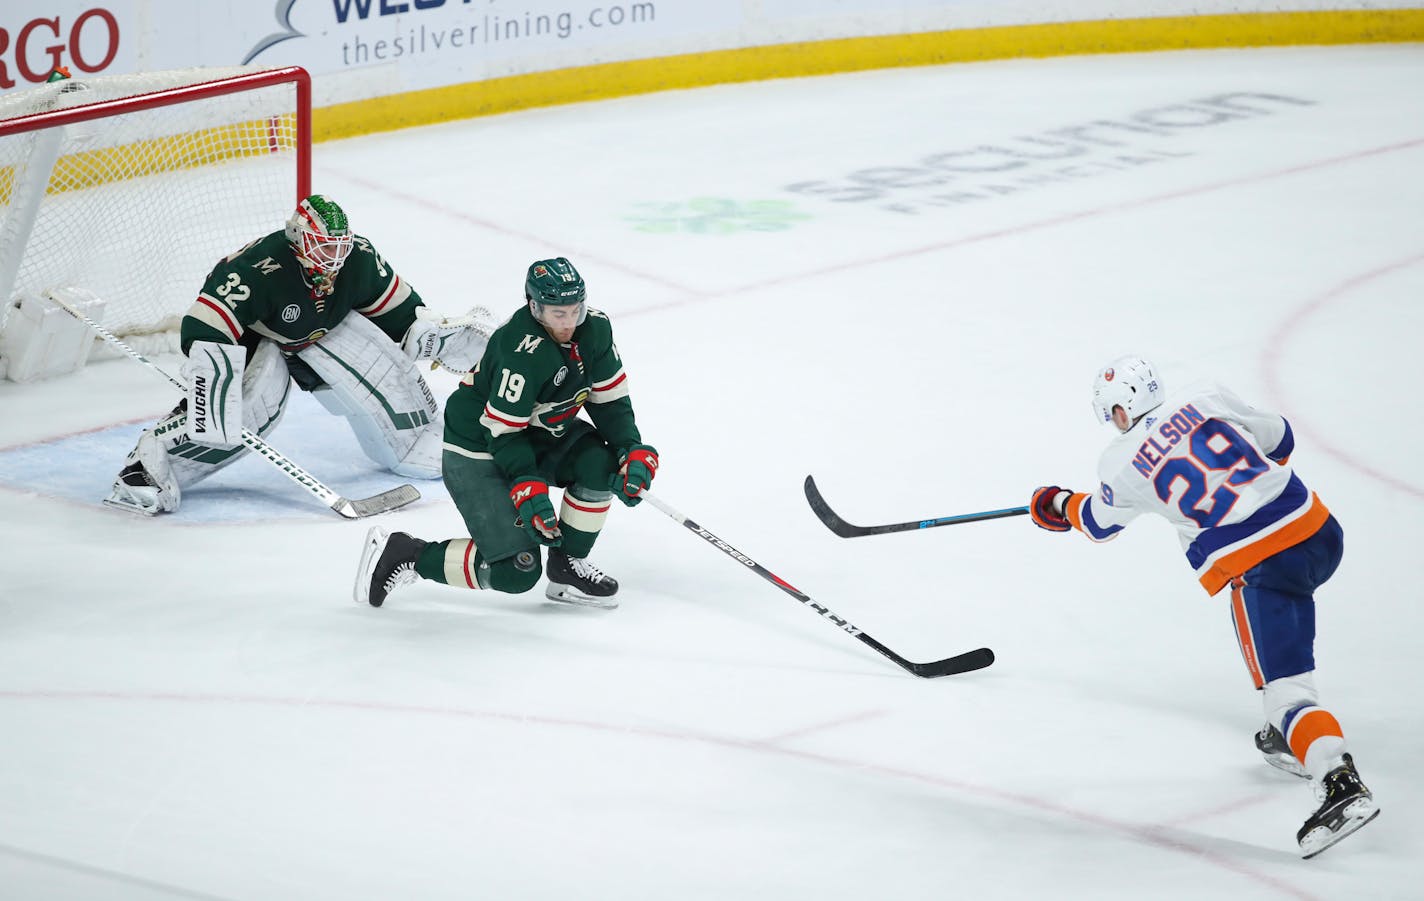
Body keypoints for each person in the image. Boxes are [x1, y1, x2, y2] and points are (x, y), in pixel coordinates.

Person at [1029, 355, 1378, 859]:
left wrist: (1057, 504)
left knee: (1286, 694)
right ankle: (1293, 738)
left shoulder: (1120, 462)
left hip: (1263, 568)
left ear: (1121, 410)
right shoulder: (1203, 394)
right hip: (1319, 530)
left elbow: (1100, 522)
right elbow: (1280, 439)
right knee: (1294, 610)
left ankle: (1338, 781)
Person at [105, 195, 492, 515]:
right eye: (324, 247)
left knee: (374, 356)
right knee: (247, 411)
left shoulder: (357, 259)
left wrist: (430, 333)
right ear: (298, 239)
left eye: (340, 246)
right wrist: (212, 372)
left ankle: (414, 439)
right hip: (258, 337)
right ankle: (145, 468)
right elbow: (207, 321)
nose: (334, 257)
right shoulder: (259, 268)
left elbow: (401, 312)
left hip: (318, 330)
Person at [355, 257, 658, 610]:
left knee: (601, 465)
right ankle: (407, 554)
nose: (570, 322)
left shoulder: (596, 329)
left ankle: (567, 565)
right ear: (535, 307)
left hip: (539, 432)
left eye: (576, 310)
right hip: (478, 446)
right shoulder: (519, 350)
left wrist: (629, 449)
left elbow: (610, 402)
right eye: (559, 314)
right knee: (516, 571)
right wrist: (527, 482)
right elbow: (504, 434)